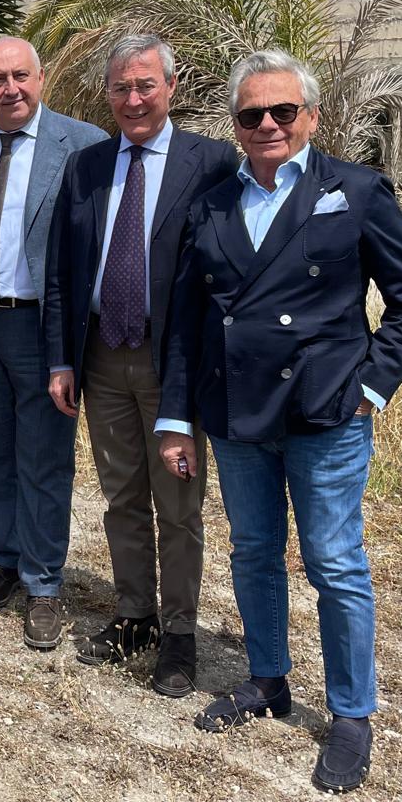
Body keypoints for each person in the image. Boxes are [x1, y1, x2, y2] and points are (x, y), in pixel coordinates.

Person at [157, 49, 402, 793]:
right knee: (252, 552)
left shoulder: (357, 190)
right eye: (252, 115)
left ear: (311, 117)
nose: (268, 125)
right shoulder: (212, 204)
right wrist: (175, 419)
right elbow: (187, 323)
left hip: (325, 413)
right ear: (236, 125)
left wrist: (371, 389)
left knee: (334, 565)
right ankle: (267, 679)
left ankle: (350, 712)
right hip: (234, 412)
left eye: (283, 111)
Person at [44, 34, 238, 696]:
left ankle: (180, 634)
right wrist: (60, 359)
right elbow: (62, 271)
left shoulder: (211, 162)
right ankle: (136, 615)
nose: (133, 99)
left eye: (145, 85)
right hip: (101, 356)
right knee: (121, 495)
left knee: (177, 503)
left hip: (172, 362)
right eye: (121, 88)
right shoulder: (88, 166)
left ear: (172, 87)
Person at [0, 37, 102, 650]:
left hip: (41, 327)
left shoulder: (81, 145)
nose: (11, 89)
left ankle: (45, 582)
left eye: (21, 76)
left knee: (44, 455)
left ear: (42, 77)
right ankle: (5, 555)